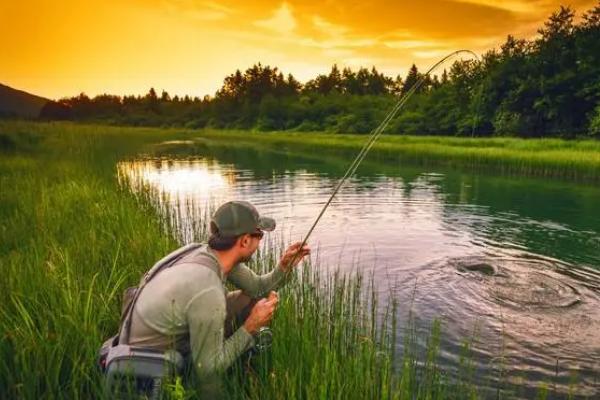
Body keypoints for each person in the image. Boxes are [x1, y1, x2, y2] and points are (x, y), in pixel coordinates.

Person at [127, 200, 310, 396]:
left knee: (251, 300)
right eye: (259, 235)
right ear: (245, 241)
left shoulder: (209, 253)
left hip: (165, 336)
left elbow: (257, 289)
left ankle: (238, 363)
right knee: (211, 370)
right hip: (151, 366)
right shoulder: (207, 290)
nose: (260, 242)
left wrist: (284, 267)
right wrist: (250, 326)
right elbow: (207, 368)